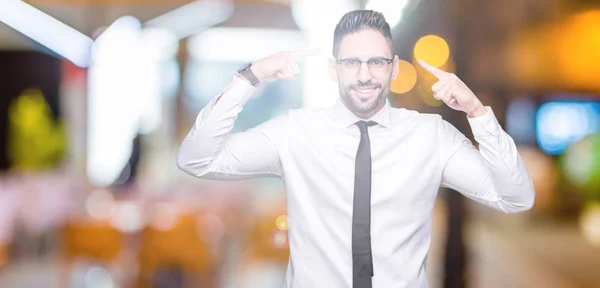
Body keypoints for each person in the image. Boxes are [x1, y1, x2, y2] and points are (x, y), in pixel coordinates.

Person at [177, 9, 535, 288]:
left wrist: (477, 113)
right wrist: (248, 78)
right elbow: (197, 159)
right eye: (351, 63)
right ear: (334, 70)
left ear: (393, 68)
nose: (364, 75)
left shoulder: (431, 136)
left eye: (376, 61)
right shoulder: (296, 131)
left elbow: (516, 198)